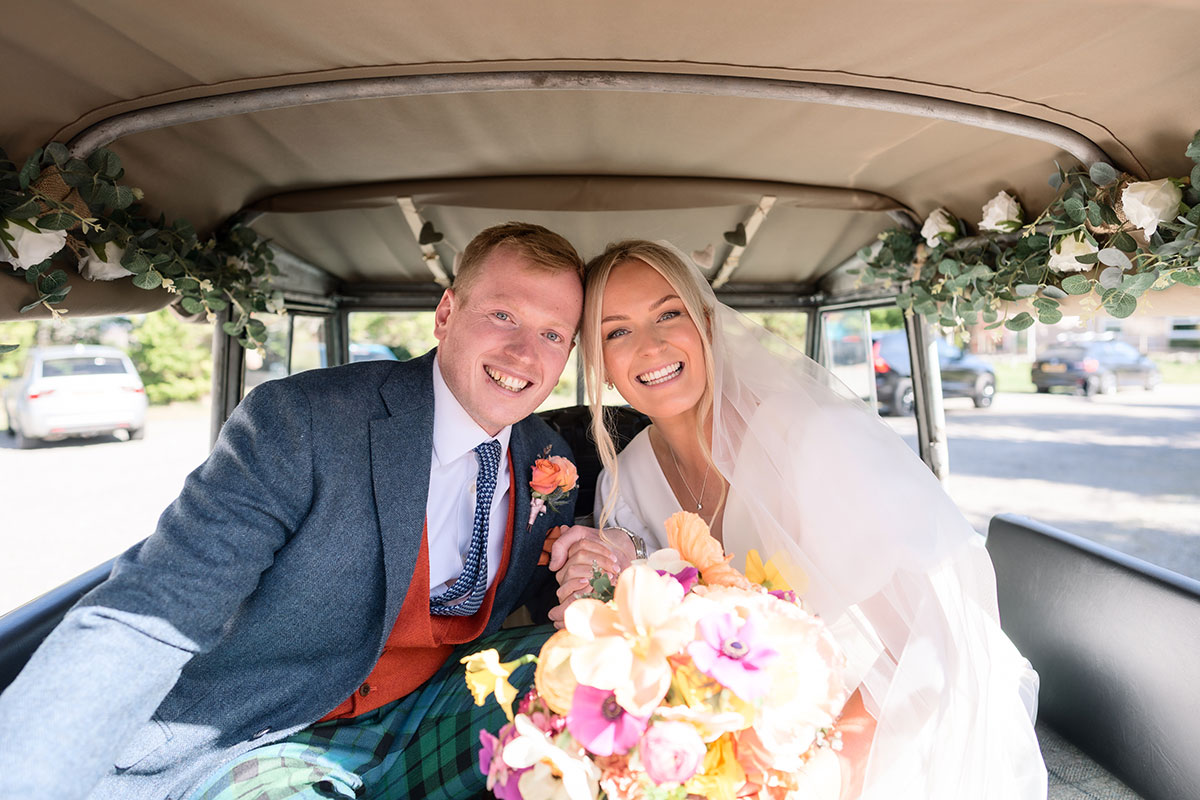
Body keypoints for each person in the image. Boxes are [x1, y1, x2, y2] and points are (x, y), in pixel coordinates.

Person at [0, 222, 586, 800]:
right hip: (258, 733)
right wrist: (29, 779)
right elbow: (155, 608)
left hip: (430, 705)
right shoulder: (303, 421)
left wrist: (602, 569)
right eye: (503, 316)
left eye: (553, 334)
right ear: (445, 314)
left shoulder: (549, 456)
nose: (523, 353)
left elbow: (545, 598)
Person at [550, 240, 1047, 799]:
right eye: (618, 332)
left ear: (709, 325)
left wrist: (820, 773)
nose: (651, 345)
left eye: (670, 314)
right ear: (600, 364)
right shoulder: (627, 476)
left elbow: (928, 644)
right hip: (744, 728)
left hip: (895, 714)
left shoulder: (814, 439)